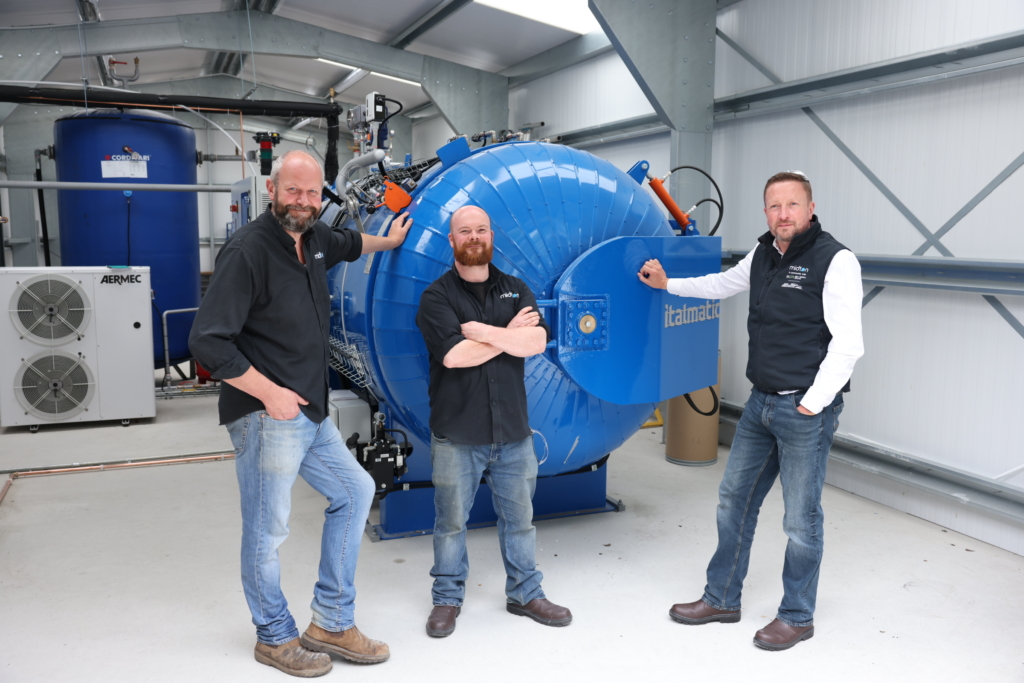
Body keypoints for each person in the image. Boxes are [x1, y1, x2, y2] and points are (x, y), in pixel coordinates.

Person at [189, 150, 411, 677]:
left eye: (312, 193)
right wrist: (270, 393)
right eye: (294, 191)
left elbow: (355, 243)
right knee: (268, 531)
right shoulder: (247, 251)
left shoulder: (313, 239)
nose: (304, 202)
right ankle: (273, 636)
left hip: (309, 412)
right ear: (273, 190)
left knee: (355, 492)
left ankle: (331, 621)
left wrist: (394, 241)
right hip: (267, 415)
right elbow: (207, 343)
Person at [639, 171, 864, 651]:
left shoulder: (836, 260)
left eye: (792, 205)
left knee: (801, 520)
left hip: (804, 409)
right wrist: (667, 284)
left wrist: (811, 404)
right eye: (774, 206)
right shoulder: (764, 254)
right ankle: (721, 598)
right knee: (733, 502)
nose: (783, 214)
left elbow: (849, 345)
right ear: (766, 212)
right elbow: (720, 284)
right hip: (760, 403)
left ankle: (797, 615)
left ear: (810, 207)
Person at [414, 205, 572, 638]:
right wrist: (508, 335)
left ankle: (525, 592)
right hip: (458, 433)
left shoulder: (514, 288)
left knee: (520, 520)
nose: (474, 237)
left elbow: (537, 340)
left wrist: (480, 332)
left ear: (491, 235)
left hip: (512, 432)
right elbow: (453, 356)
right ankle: (446, 598)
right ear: (452, 240)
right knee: (450, 525)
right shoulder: (436, 298)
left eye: (480, 229)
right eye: (464, 231)